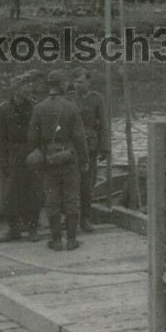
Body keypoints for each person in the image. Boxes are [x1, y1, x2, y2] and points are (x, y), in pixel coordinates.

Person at [27, 69, 88, 250]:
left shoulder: (38, 108)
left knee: (51, 200)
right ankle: (71, 240)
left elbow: (32, 139)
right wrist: (84, 159)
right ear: (62, 85)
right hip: (69, 159)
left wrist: (41, 155)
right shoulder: (71, 107)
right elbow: (79, 137)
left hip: (48, 159)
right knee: (72, 198)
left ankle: (55, 240)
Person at [0, 73, 43, 242]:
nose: (29, 88)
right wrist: (1, 162)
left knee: (33, 193)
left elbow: (41, 133)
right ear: (16, 89)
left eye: (30, 86)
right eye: (25, 86)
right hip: (13, 156)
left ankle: (32, 228)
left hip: (31, 154)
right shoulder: (4, 109)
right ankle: (13, 229)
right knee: (10, 195)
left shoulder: (35, 107)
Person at [69, 67, 109, 234]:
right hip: (71, 147)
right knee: (69, 183)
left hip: (89, 147)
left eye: (81, 81)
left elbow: (104, 124)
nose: (77, 85)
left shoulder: (96, 99)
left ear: (88, 82)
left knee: (87, 185)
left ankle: (85, 217)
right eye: (75, 81)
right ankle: (70, 217)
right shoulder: (69, 98)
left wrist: (104, 148)